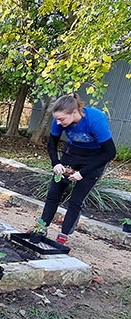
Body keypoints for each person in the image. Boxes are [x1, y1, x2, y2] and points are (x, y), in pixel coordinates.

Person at [39, 93, 117, 244]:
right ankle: (42, 226)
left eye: (62, 119)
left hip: (96, 158)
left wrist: (83, 173)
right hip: (72, 153)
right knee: (53, 193)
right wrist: (56, 163)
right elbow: (52, 145)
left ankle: (64, 234)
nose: (58, 123)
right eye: (57, 119)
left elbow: (110, 152)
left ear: (74, 112)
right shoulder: (59, 122)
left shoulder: (95, 120)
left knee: (76, 200)